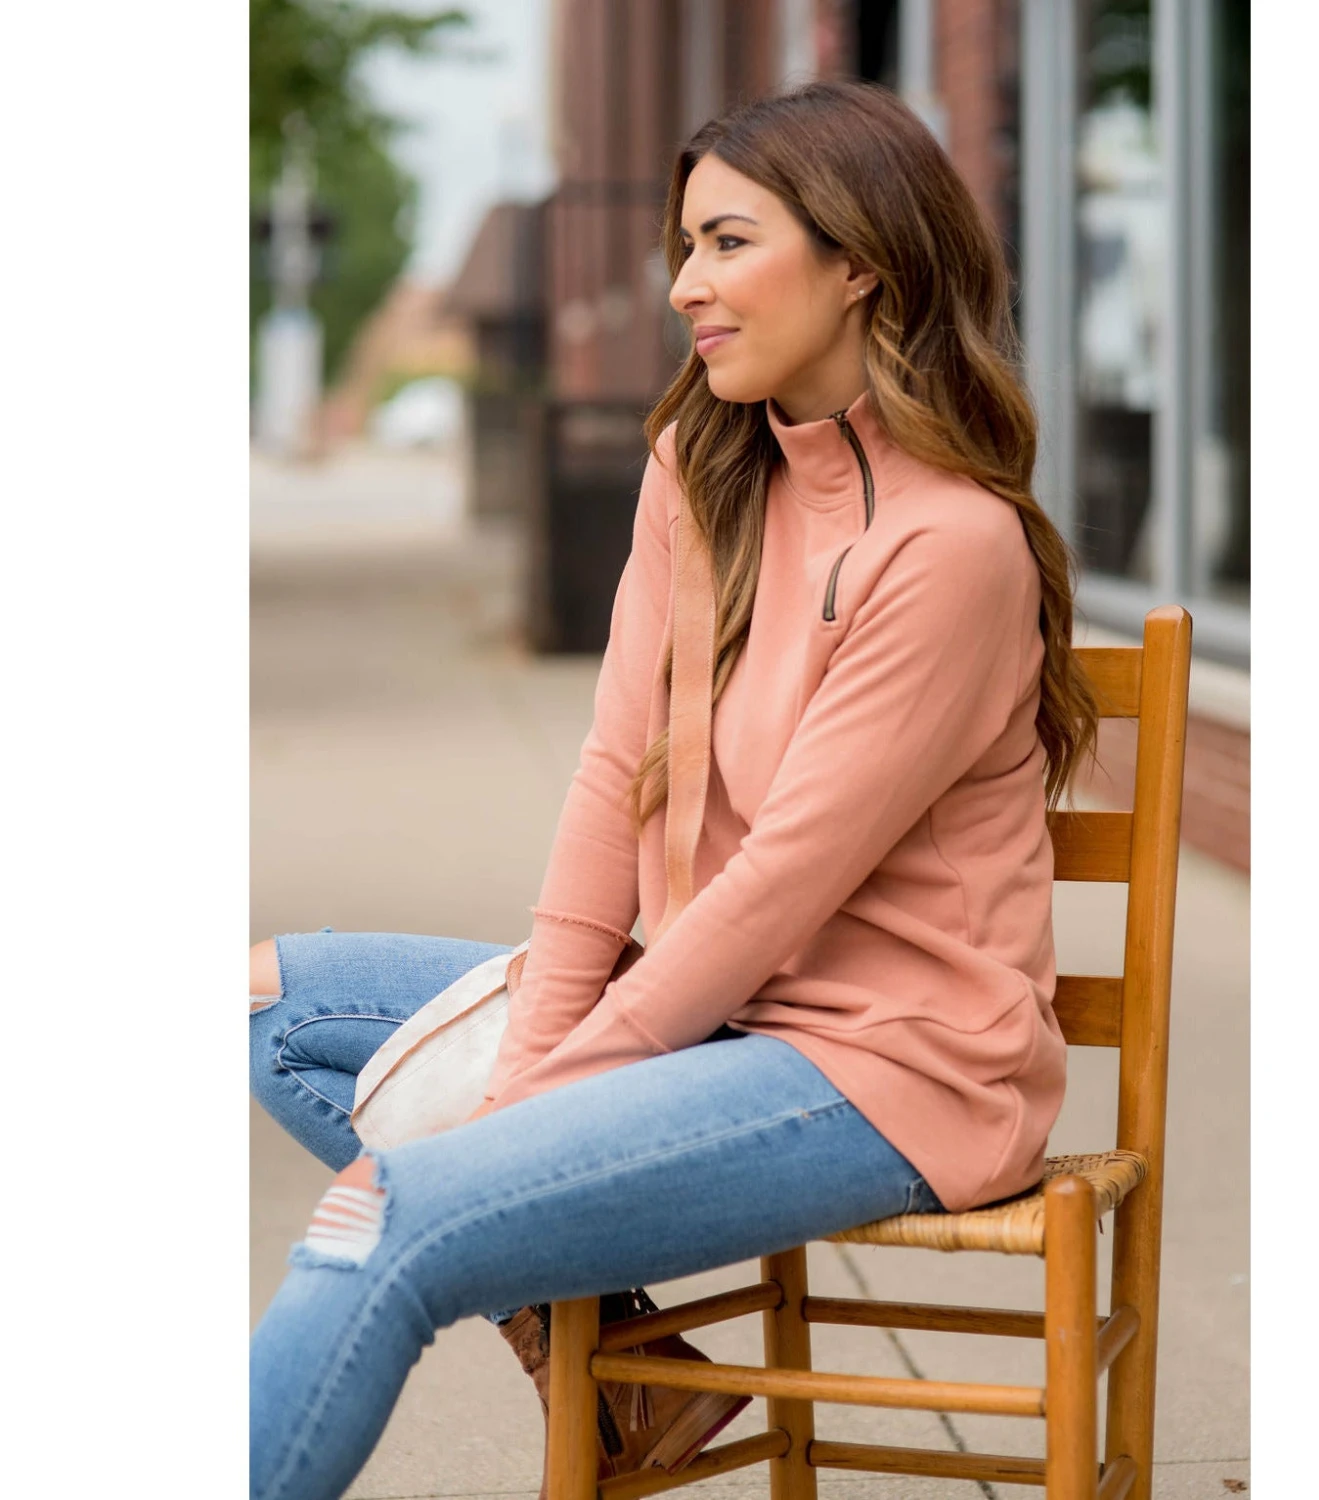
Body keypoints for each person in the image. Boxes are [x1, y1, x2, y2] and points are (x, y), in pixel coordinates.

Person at [249, 78, 1099, 1500]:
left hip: (891, 1071)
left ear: (860, 261)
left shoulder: (952, 550)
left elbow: (776, 891)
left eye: (728, 243)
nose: (685, 285)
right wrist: (538, 1070)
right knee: (268, 1006)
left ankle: (553, 1315)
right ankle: (640, 1386)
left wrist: (531, 1106)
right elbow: (613, 782)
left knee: (384, 1219)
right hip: (718, 1015)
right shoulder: (699, 470)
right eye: (684, 247)